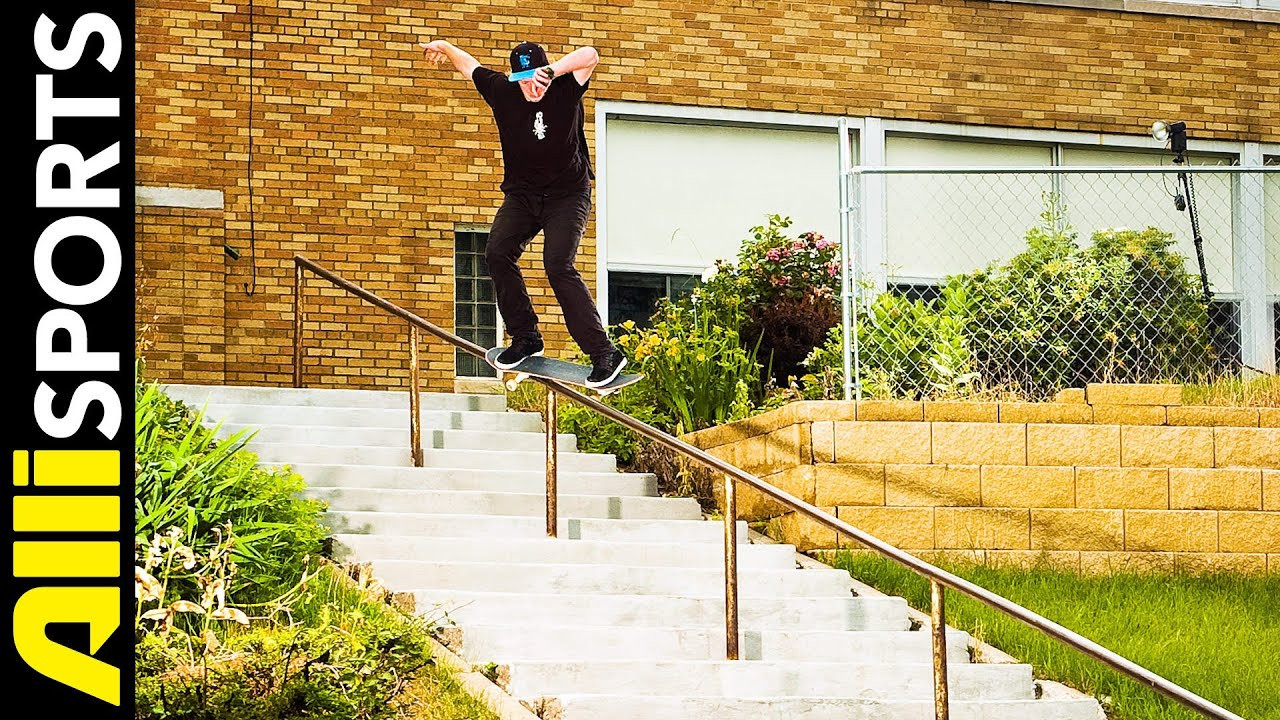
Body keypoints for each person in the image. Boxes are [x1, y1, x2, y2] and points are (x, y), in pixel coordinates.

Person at [420, 39, 628, 387]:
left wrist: (552, 72)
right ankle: (525, 337)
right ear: (514, 78)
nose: (531, 88)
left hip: (568, 195)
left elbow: (590, 55)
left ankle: (604, 353)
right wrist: (447, 46)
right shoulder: (502, 91)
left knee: (558, 265)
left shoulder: (566, 87)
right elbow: (469, 66)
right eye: (523, 79)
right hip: (523, 197)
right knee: (497, 252)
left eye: (536, 80)